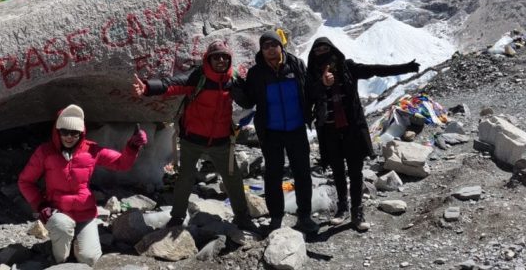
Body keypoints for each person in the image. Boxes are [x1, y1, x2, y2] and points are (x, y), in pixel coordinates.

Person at [132, 40, 257, 232]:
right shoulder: (197, 76)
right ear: (208, 59)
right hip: (193, 139)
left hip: (221, 140)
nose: (221, 60)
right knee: (185, 178)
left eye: (225, 57)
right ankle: (177, 217)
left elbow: (248, 100)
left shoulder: (233, 80)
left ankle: (242, 217)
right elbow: (171, 84)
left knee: (232, 179)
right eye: (216, 57)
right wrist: (148, 88)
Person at [306, 37, 419, 231]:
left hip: (352, 129)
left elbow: (376, 69)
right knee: (338, 171)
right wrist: (323, 84)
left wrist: (406, 67)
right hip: (329, 131)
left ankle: (357, 211)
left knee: (355, 171)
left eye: (326, 49)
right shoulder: (312, 77)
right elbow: (308, 98)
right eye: (318, 50)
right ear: (313, 55)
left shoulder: (348, 68)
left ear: (333, 50)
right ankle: (342, 208)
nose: (322, 53)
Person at [18, 104, 147, 265]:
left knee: (89, 258)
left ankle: (72, 243)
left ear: (82, 133)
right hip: (57, 213)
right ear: (57, 131)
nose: (69, 137)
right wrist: (41, 205)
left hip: (85, 214)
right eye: (65, 131)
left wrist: (132, 147)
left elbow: (121, 163)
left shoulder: (92, 150)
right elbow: (25, 181)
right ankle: (60, 262)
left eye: (75, 133)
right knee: (62, 226)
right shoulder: (45, 152)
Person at [232, 30, 319, 235]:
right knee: (273, 175)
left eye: (274, 45)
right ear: (261, 51)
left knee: (302, 173)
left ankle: (304, 216)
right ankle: (276, 218)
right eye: (265, 46)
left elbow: (309, 91)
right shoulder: (256, 73)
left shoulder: (296, 65)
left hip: (296, 128)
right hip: (271, 132)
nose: (270, 50)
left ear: (281, 46)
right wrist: (235, 87)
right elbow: (248, 100)